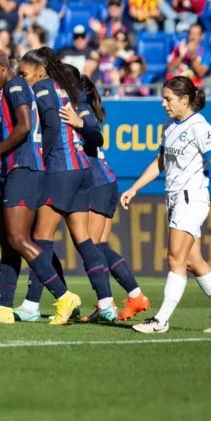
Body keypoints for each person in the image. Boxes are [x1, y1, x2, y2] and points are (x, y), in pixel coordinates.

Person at [121, 77, 211, 334]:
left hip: (192, 198)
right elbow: (159, 163)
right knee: (193, 261)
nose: (163, 104)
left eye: (168, 99)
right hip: (176, 198)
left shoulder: (199, 127)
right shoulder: (169, 125)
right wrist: (134, 188)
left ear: (185, 100)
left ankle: (160, 320)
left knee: (175, 257)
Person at [15, 47, 115, 324]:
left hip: (61, 168)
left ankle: (31, 304)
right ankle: (106, 303)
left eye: (25, 74)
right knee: (84, 240)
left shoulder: (45, 87)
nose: (23, 79)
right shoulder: (69, 92)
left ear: (41, 70)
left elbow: (49, 129)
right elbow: (91, 133)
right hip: (83, 170)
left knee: (41, 240)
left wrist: (39, 159)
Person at [0, 50, 67, 325]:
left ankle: (64, 296)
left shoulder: (15, 86)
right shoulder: (7, 94)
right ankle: (3, 308)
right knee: (9, 245)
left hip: (25, 169)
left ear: (2, 67)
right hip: (16, 172)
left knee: (17, 239)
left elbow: (25, 126)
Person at [59, 66, 150, 322]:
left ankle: (119, 298)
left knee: (91, 246)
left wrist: (78, 122)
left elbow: (95, 136)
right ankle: (124, 297)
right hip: (105, 181)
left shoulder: (79, 105)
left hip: (97, 182)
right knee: (99, 246)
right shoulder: (79, 103)